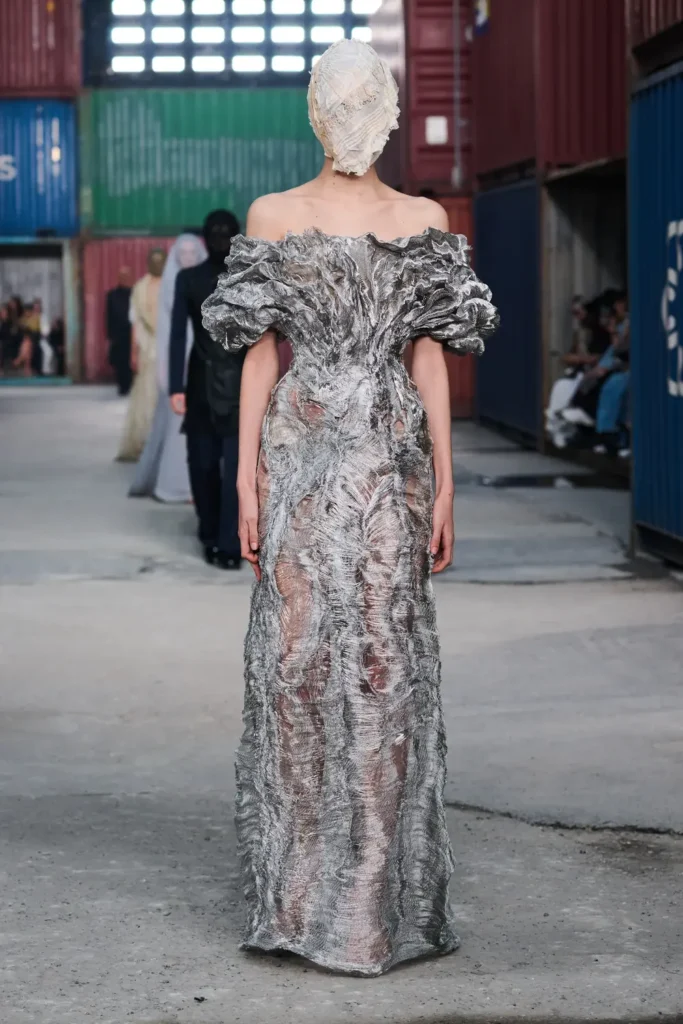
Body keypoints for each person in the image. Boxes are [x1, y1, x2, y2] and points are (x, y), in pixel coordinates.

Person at [201, 40, 498, 976]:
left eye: (367, 97)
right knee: (292, 667)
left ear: (394, 109)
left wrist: (444, 481)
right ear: (313, 111)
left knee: (383, 666)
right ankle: (294, 902)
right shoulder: (274, 215)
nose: (352, 114)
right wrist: (246, 478)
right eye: (337, 99)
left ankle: (371, 907)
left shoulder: (422, 220)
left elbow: (428, 356)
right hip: (298, 461)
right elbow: (258, 350)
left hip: (387, 464)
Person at [169, 210, 244, 568]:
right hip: (200, 383)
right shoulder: (188, 279)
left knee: (236, 468)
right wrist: (175, 386)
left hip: (241, 384)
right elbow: (177, 334)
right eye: (215, 233)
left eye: (227, 233)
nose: (220, 239)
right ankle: (210, 534)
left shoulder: (248, 278)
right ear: (204, 237)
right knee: (203, 466)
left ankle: (228, 542)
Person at [129, 233, 206, 502]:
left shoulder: (207, 279)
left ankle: (201, 484)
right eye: (183, 253)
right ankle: (177, 484)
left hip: (204, 356)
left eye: (193, 252)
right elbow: (165, 330)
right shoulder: (170, 284)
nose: (188, 257)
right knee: (177, 424)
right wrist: (165, 370)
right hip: (178, 358)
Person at [116, 248, 166, 462]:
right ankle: (145, 441)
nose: (157, 263)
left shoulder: (173, 284)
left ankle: (164, 442)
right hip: (147, 348)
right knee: (147, 393)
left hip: (168, 346)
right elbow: (135, 323)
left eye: (160, 260)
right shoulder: (139, 288)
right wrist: (134, 353)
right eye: (154, 260)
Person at [107, 268, 134, 396]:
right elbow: (108, 316)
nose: (124, 279)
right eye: (122, 276)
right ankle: (122, 386)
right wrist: (110, 335)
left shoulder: (135, 294)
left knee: (131, 361)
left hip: (132, 334)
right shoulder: (112, 295)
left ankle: (130, 385)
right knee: (119, 362)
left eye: (126, 276)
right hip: (118, 335)